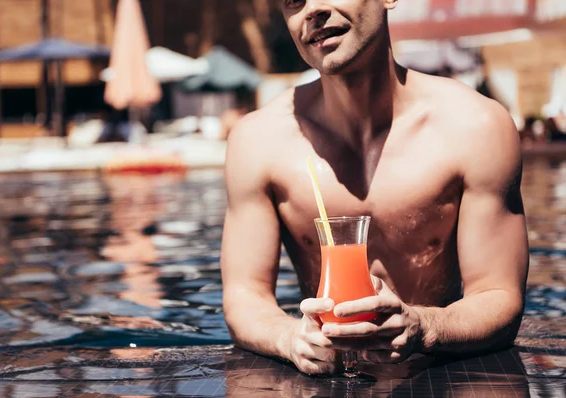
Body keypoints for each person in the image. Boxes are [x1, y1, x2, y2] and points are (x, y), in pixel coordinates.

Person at [221, 0, 529, 375]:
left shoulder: (476, 128)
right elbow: (244, 295)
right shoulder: (258, 141)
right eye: (292, 1)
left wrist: (423, 326)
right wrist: (289, 337)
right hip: (326, 375)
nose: (312, 10)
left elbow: (499, 296)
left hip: (435, 373)